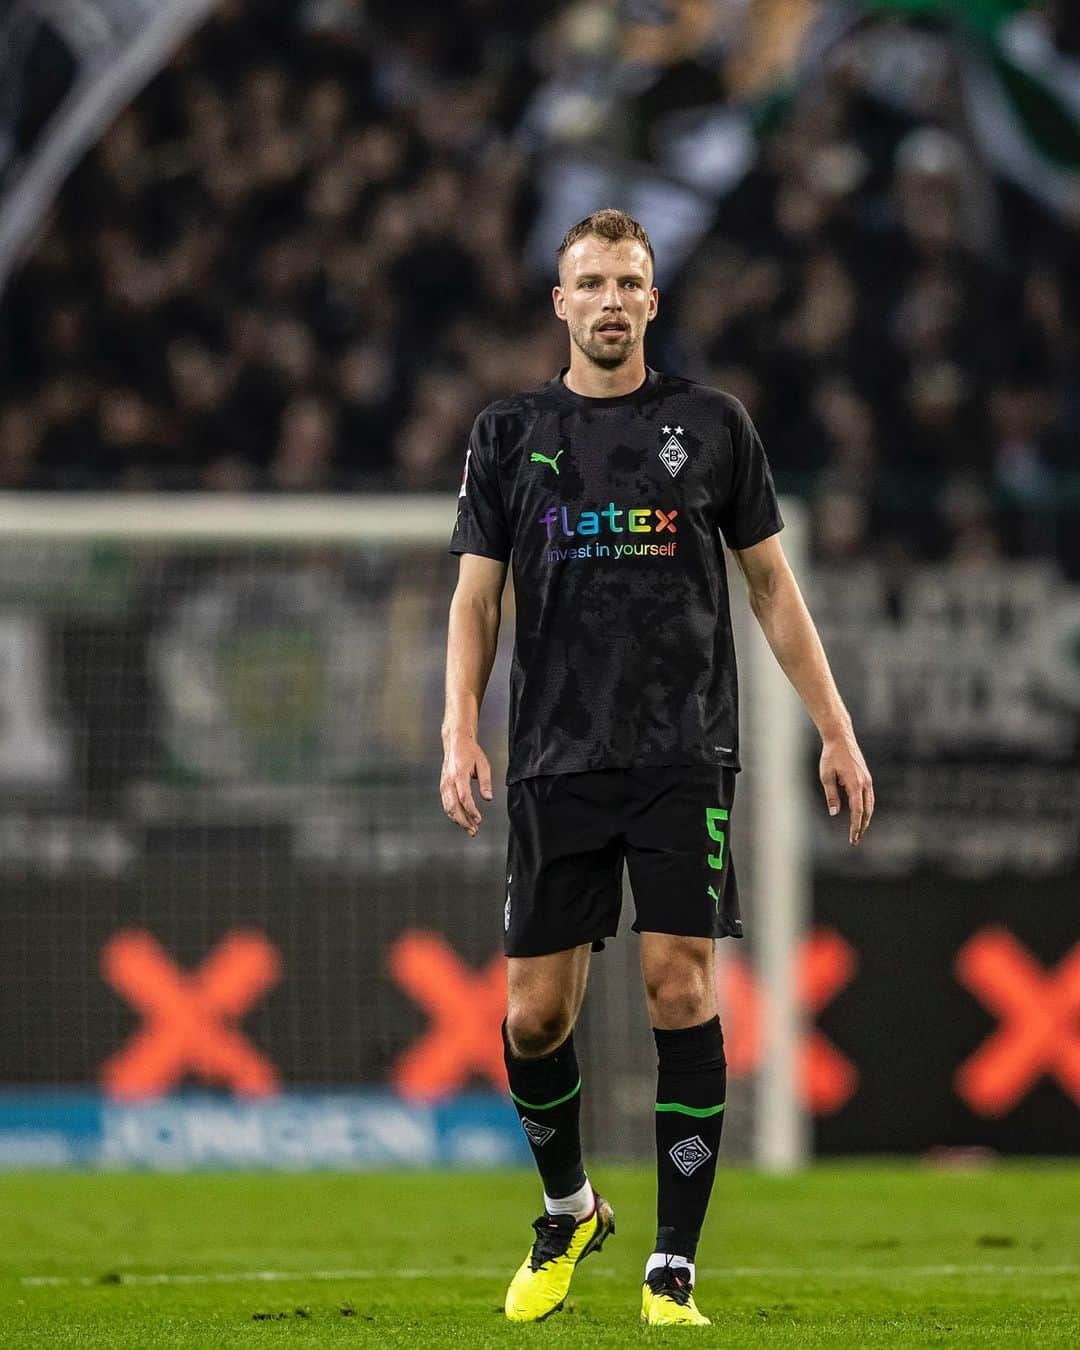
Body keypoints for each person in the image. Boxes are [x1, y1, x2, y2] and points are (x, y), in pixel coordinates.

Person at [440, 208, 873, 1327]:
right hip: (553, 757)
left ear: (653, 300)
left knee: (681, 986)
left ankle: (672, 1266)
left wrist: (835, 726)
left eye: (630, 282)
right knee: (536, 1019)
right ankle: (570, 1207)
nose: (612, 301)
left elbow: (772, 589)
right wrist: (455, 730)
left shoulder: (711, 426)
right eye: (591, 283)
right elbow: (475, 597)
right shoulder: (508, 433)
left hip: (685, 749)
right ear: (560, 303)